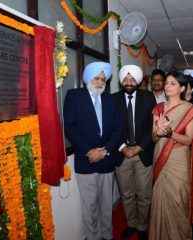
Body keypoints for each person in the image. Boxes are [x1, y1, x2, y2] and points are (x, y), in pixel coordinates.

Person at [63, 62, 123, 240]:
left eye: (103, 79)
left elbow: (118, 128)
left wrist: (106, 151)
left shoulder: (110, 99)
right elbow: (70, 128)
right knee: (89, 207)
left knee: (106, 205)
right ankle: (93, 237)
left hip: (107, 160)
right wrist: (90, 151)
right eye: (96, 78)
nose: (100, 82)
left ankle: (107, 235)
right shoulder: (74, 96)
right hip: (86, 160)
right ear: (88, 78)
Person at [149, 71, 193, 240]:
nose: (167, 86)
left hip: (178, 159)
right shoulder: (158, 108)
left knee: (178, 202)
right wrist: (159, 132)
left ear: (182, 88)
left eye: (172, 83)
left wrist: (169, 133)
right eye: (167, 83)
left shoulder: (191, 109)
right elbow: (153, 137)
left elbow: (189, 140)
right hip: (160, 154)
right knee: (159, 201)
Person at [112, 65, 156, 240]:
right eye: (126, 79)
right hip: (121, 154)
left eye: (132, 79)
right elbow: (111, 127)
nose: (129, 82)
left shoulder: (148, 97)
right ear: (121, 81)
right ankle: (131, 224)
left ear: (138, 81)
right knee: (127, 194)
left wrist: (138, 147)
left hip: (142, 153)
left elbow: (152, 126)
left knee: (144, 194)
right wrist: (123, 147)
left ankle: (142, 226)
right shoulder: (113, 99)